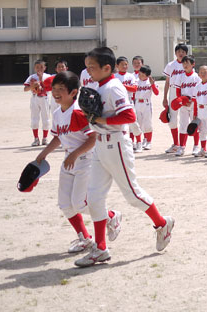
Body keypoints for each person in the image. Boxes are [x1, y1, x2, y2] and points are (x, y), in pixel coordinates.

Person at [75, 47, 174, 267]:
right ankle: (100, 248)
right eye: (87, 66)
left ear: (106, 68)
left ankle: (162, 223)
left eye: (92, 67)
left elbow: (128, 115)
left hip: (117, 145)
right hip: (100, 146)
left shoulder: (113, 88)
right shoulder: (96, 85)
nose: (88, 71)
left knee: (132, 195)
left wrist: (101, 121)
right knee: (94, 198)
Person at [35, 71, 120, 253]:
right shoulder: (58, 113)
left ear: (74, 92)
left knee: (80, 203)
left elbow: (93, 138)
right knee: (65, 204)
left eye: (61, 89)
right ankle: (85, 238)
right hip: (69, 160)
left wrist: (74, 155)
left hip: (85, 161)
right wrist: (43, 154)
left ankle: (111, 216)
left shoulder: (79, 112)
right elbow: (58, 138)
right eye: (54, 89)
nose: (56, 92)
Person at [163, 44, 189, 154]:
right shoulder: (170, 65)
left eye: (183, 51)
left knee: (184, 119)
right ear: (175, 53)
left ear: (186, 53)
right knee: (172, 120)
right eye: (178, 51)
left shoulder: (188, 64)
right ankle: (176, 144)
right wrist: (165, 97)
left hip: (184, 91)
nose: (181, 53)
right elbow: (167, 82)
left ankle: (182, 146)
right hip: (173, 91)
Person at [174, 55, 201, 156]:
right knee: (183, 125)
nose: (185, 65)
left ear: (193, 64)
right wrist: (180, 101)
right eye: (183, 63)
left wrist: (192, 101)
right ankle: (182, 147)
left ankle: (196, 146)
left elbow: (198, 91)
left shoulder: (196, 77)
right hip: (184, 104)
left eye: (187, 63)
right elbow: (178, 91)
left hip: (194, 103)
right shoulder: (180, 76)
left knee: (194, 125)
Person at [114, 56, 142, 149]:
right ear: (117, 66)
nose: (125, 66)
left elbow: (134, 89)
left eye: (126, 64)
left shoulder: (131, 76)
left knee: (133, 122)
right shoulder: (114, 77)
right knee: (122, 125)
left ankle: (139, 142)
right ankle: (129, 143)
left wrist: (122, 86)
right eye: (122, 64)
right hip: (118, 103)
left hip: (129, 101)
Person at [24, 60, 53, 146]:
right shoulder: (31, 77)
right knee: (34, 118)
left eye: (41, 67)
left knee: (46, 118)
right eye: (37, 67)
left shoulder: (48, 76)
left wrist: (41, 80)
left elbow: (50, 88)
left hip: (44, 98)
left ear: (45, 67)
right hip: (35, 98)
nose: (39, 69)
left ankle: (45, 138)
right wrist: (32, 86)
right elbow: (25, 89)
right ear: (34, 68)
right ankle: (36, 139)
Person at [134, 65, 159, 151]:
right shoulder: (136, 81)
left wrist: (152, 85)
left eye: (143, 75)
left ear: (148, 75)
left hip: (146, 103)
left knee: (147, 123)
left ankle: (148, 142)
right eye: (140, 74)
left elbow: (157, 93)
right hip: (137, 103)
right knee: (138, 124)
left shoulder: (150, 82)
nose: (140, 76)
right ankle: (139, 142)